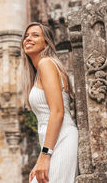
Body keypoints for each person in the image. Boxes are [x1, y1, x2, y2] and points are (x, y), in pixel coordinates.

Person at [21, 22, 78, 183]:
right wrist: (42, 157)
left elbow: (58, 112)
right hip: (53, 145)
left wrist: (45, 155)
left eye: (35, 35)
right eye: (26, 36)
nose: (28, 39)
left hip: (62, 140)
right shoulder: (40, 70)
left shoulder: (46, 64)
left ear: (46, 42)